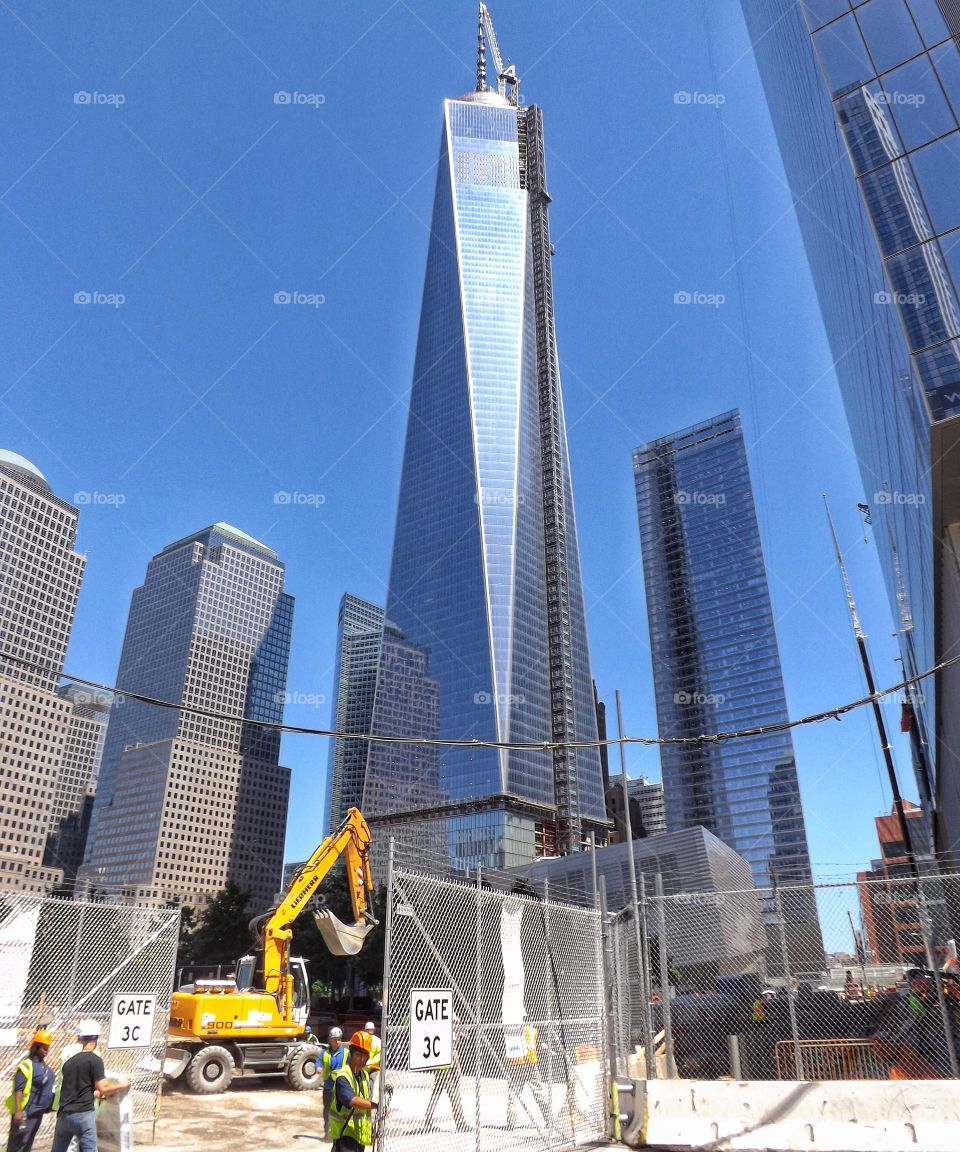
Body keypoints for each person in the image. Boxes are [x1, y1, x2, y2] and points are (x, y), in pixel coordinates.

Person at [50, 1019, 129, 1152]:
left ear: (80, 1038)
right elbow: (103, 1088)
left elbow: (76, 1087)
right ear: (96, 1038)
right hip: (83, 1115)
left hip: (64, 1115)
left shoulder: (69, 1063)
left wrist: (95, 1093)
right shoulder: (95, 1060)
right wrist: (122, 1085)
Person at [5, 1030, 55, 1152]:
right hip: (26, 1113)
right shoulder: (27, 1065)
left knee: (27, 1145)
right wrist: (18, 1111)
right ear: (36, 1047)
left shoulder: (44, 1066)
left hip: (38, 1113)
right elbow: (19, 1088)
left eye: (47, 1048)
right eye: (44, 1048)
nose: (46, 1051)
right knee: (17, 1146)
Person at [329, 1031, 378, 1152]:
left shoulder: (364, 1075)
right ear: (351, 1053)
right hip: (346, 1135)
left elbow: (364, 1107)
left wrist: (370, 1129)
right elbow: (352, 1100)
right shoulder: (343, 1076)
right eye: (358, 1054)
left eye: (365, 1055)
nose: (362, 1059)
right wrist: (377, 1106)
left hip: (359, 1136)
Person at [506, 1020, 551, 1130]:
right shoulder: (532, 1031)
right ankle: (549, 1120)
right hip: (530, 1063)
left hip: (515, 1064)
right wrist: (549, 1049)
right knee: (538, 1092)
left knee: (513, 1095)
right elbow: (542, 1045)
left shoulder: (510, 1030)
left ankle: (511, 1124)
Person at [425, 1019, 468, 1133]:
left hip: (442, 1066)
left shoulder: (440, 1027)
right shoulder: (447, 1031)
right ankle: (461, 1124)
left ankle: (428, 1120)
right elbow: (453, 1052)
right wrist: (458, 1069)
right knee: (454, 1096)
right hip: (447, 1067)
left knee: (436, 1094)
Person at [321, 1027, 347, 1141]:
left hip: (341, 1086)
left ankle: (339, 1132)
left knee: (340, 1109)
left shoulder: (346, 1053)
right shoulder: (325, 1052)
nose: (336, 1042)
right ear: (330, 1040)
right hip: (328, 1086)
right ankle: (327, 1131)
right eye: (334, 1039)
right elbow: (318, 1061)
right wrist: (317, 1067)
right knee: (327, 1109)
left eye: (338, 1039)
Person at [363, 1022, 381, 1087]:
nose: (370, 1031)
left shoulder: (377, 1041)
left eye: (371, 1030)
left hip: (373, 1067)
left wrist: (371, 1062)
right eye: (368, 1030)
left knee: (370, 1085)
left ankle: (369, 1097)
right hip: (362, 1067)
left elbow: (379, 1054)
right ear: (365, 1030)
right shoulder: (361, 1039)